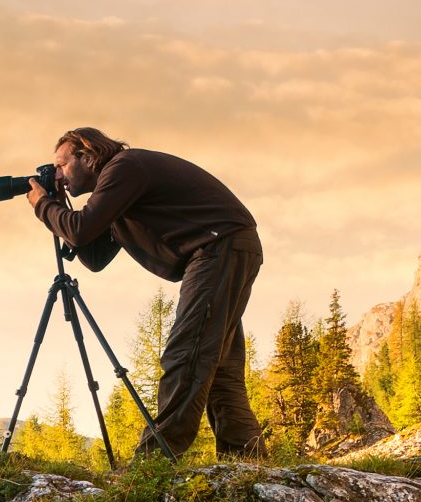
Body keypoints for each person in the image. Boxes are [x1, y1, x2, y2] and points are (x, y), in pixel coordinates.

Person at [27, 127, 265, 460]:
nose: (57, 174)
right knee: (221, 367)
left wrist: (43, 206)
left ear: (87, 155)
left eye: (62, 164)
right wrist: (58, 208)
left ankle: (154, 461)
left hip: (218, 246)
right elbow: (93, 256)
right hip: (228, 247)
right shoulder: (119, 189)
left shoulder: (124, 168)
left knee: (187, 353)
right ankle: (246, 459)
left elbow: (79, 230)